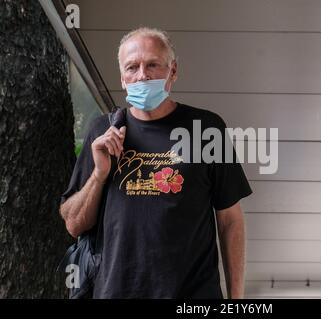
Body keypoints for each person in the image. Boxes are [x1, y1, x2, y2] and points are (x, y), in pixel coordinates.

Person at [59, 27, 253, 299]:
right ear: (123, 79)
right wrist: (100, 175)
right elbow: (74, 224)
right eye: (132, 68)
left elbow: (230, 220)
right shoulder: (102, 131)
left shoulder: (206, 129)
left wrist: (236, 299)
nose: (142, 75)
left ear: (172, 71)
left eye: (152, 65)